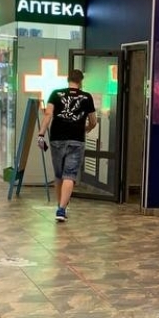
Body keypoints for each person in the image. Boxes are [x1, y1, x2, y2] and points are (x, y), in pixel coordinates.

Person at [37, 69, 97, 222]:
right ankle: (62, 209)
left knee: (59, 176)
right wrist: (87, 128)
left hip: (57, 139)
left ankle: (60, 205)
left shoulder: (55, 94)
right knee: (69, 175)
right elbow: (93, 121)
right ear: (81, 81)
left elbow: (48, 115)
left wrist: (41, 134)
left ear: (68, 79)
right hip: (77, 139)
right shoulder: (87, 97)